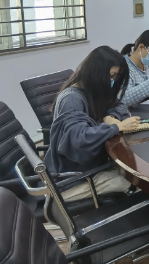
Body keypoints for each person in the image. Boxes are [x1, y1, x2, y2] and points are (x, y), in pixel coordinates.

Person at [45, 46, 142, 202]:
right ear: (96, 73)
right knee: (140, 181)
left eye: (115, 77)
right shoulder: (72, 100)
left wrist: (110, 116)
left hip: (91, 167)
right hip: (73, 180)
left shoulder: (92, 91)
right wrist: (116, 127)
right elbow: (79, 141)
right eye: (111, 76)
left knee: (134, 170)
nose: (112, 81)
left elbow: (118, 105)